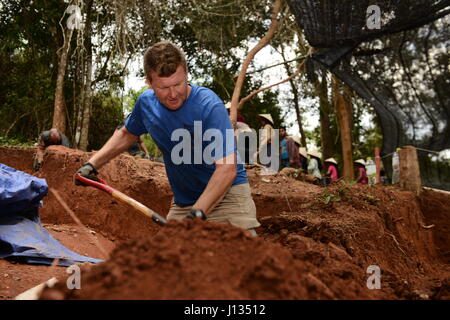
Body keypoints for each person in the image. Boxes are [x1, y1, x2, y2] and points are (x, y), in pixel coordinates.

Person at [75, 41, 260, 236]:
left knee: (242, 260)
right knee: (165, 262)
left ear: (186, 75)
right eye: (164, 87)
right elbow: (127, 133)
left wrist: (197, 214)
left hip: (227, 198)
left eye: (178, 84)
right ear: (149, 82)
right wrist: (91, 165)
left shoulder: (208, 105)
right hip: (184, 204)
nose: (173, 94)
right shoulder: (146, 104)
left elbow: (227, 169)